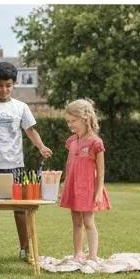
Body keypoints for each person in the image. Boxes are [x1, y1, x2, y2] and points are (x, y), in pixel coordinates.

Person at [0, 61, 53, 264]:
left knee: (20, 210)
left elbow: (30, 131)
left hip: (16, 166)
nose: (4, 89)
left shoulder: (21, 107)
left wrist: (41, 147)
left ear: (14, 85)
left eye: (8, 85)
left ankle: (25, 251)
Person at [59, 98, 110, 262]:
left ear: (85, 118)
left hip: (87, 188)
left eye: (73, 121)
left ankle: (93, 255)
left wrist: (98, 192)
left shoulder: (96, 142)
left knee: (88, 221)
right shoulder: (71, 141)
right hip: (73, 187)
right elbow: (69, 165)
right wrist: (64, 184)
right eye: (68, 121)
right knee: (75, 221)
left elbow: (101, 171)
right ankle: (78, 253)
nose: (70, 124)